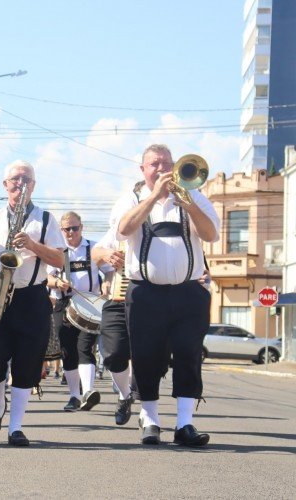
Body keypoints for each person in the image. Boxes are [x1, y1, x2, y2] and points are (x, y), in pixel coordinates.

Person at [114, 144, 219, 447]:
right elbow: (123, 230)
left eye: (167, 164)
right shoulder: (130, 199)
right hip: (145, 292)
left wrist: (188, 205)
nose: (162, 169)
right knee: (146, 356)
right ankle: (151, 419)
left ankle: (185, 423)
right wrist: (152, 197)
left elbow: (210, 235)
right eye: (154, 164)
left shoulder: (195, 196)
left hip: (189, 292)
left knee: (189, 354)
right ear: (143, 169)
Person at [0, 160, 65, 447]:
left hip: (32, 296)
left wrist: (33, 245)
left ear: (33, 185)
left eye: (27, 179)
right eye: (15, 179)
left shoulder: (46, 219)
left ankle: (15, 427)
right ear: (5, 184)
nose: (20, 183)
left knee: (27, 362)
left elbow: (60, 259)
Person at [46, 212, 111, 412]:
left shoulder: (93, 249)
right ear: (61, 231)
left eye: (75, 228)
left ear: (81, 227)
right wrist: (57, 282)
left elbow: (109, 270)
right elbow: (45, 278)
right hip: (64, 305)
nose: (71, 232)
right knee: (68, 350)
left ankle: (89, 392)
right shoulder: (57, 252)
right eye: (67, 229)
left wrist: (107, 284)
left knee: (85, 347)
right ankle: (74, 395)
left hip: (90, 306)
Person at [92, 224, 137, 426]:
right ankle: (125, 394)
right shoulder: (121, 232)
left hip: (153, 299)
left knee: (147, 358)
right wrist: (108, 254)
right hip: (119, 298)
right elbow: (95, 253)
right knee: (113, 353)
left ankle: (149, 416)